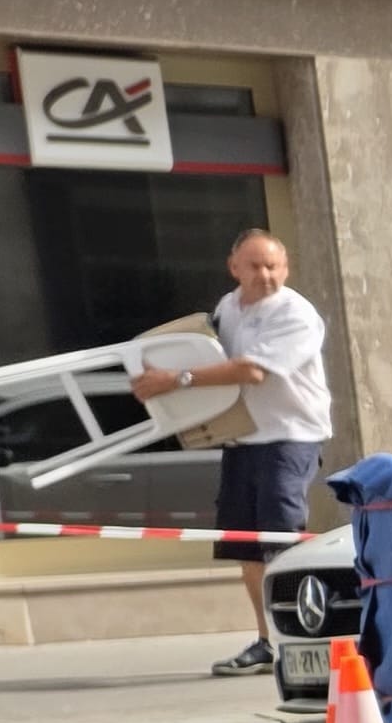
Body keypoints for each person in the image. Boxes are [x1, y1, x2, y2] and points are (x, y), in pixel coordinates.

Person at [128, 228, 330, 677]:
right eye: (255, 266)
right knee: (247, 551)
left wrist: (175, 380)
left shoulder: (295, 313)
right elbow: (211, 356)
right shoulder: (228, 308)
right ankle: (267, 643)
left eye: (274, 266)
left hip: (289, 438)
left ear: (287, 267)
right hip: (243, 442)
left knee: (281, 545)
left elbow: (252, 372)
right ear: (234, 267)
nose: (266, 276)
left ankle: (303, 639)